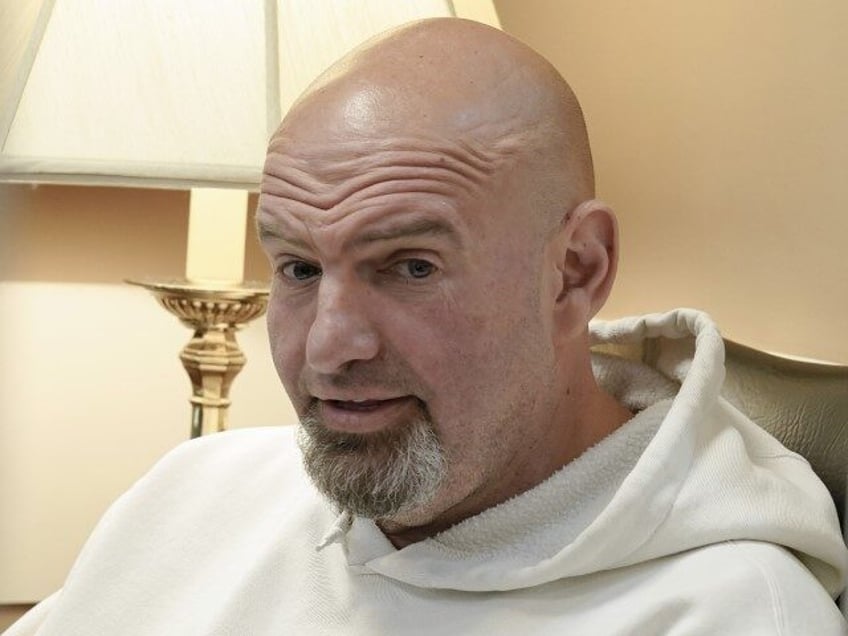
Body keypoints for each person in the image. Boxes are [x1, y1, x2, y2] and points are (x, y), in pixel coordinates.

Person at [6, 17, 847, 635]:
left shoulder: (729, 613)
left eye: (410, 268)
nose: (331, 348)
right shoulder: (193, 493)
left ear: (577, 270)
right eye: (299, 268)